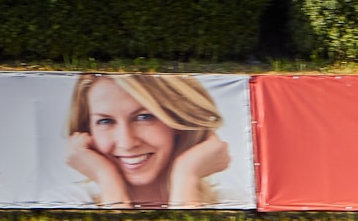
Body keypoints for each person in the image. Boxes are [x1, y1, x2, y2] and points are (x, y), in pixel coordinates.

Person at [61, 73, 231, 208]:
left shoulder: (231, 203)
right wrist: (107, 180)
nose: (126, 143)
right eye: (106, 121)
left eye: (144, 117)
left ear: (179, 121)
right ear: (87, 131)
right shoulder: (65, 203)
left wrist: (186, 177)